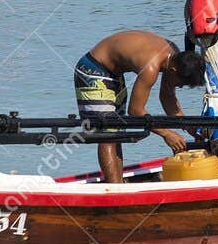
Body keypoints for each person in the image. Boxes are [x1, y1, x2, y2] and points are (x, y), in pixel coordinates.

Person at [74, 30, 206, 184]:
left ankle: (117, 184)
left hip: (113, 74)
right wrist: (167, 134)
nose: (180, 87)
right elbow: (135, 111)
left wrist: (189, 127)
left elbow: (167, 96)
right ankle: (115, 191)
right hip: (92, 70)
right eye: (180, 83)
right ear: (173, 71)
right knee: (108, 133)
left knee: (117, 133)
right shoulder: (151, 67)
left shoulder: (174, 55)